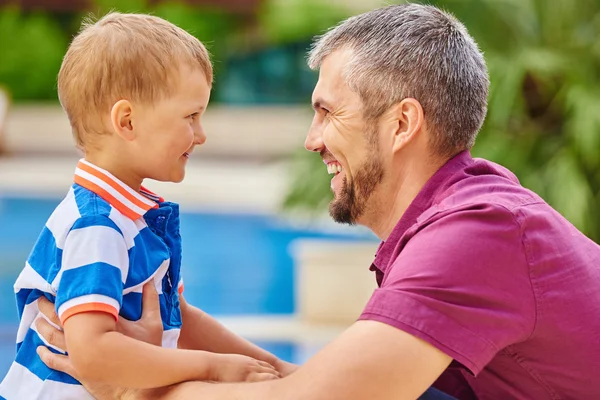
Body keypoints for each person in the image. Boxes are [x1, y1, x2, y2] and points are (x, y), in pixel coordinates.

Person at [36, 3, 600, 400]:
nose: (311, 139)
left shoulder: (477, 234)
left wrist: (135, 387)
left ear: (402, 123)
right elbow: (333, 386)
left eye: (328, 112)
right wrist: (258, 373)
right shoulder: (469, 214)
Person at [0, 12, 294, 400]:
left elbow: (180, 319)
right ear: (127, 122)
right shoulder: (98, 225)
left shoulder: (129, 217)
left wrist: (278, 370)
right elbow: (94, 353)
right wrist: (212, 367)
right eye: (191, 116)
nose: (201, 135)